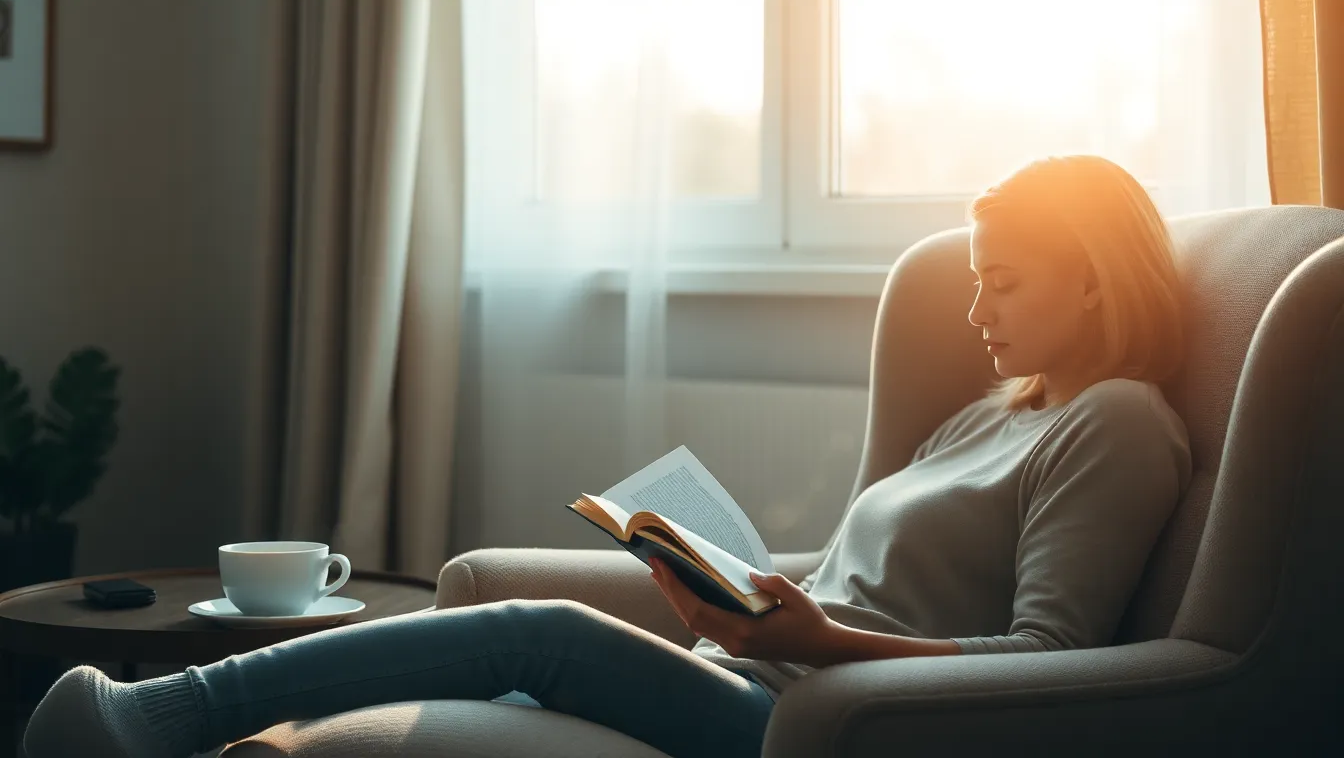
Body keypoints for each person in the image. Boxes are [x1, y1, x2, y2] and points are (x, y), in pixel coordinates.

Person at [23, 155, 1191, 758]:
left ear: (1090, 274)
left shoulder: (1120, 423)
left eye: (1006, 281)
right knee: (527, 648)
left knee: (535, 630)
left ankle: (162, 718)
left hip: (831, 727)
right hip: (771, 675)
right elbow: (847, 565)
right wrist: (720, 582)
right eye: (974, 276)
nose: (975, 308)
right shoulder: (994, 412)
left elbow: (1050, 658)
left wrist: (817, 643)